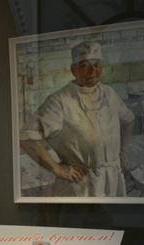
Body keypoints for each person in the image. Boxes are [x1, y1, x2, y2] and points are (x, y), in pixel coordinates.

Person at [20, 41, 135, 197]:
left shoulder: (109, 93)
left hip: (113, 180)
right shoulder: (59, 100)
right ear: (73, 69)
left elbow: (128, 120)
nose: (92, 71)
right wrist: (57, 169)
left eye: (97, 64)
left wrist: (124, 151)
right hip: (80, 184)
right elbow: (26, 138)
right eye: (85, 66)